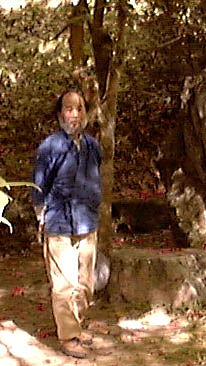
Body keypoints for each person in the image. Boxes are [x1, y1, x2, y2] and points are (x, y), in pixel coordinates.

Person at [32, 90, 102, 359]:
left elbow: (96, 174)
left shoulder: (92, 146)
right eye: (69, 109)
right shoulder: (49, 147)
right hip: (58, 222)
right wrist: (41, 216)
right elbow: (39, 186)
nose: (75, 114)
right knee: (64, 285)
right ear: (60, 113)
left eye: (80, 108)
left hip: (87, 221)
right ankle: (70, 336)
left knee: (85, 284)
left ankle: (76, 324)